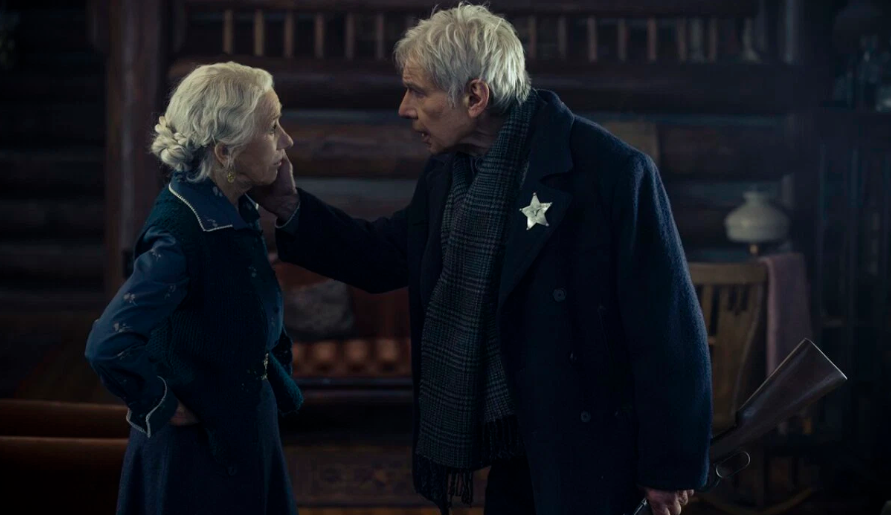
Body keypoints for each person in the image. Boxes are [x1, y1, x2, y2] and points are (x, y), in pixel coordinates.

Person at [256, 3, 712, 515]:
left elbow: (667, 331)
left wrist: (669, 469)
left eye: (418, 91)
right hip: (510, 443)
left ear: (475, 96)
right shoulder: (449, 173)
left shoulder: (611, 173)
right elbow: (383, 254)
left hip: (592, 448)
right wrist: (289, 206)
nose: (405, 108)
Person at [85, 61, 303, 515]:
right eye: (272, 128)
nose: (286, 141)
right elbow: (108, 343)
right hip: (196, 457)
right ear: (225, 152)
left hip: (242, 425)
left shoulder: (233, 205)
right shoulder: (180, 234)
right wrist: (162, 403)